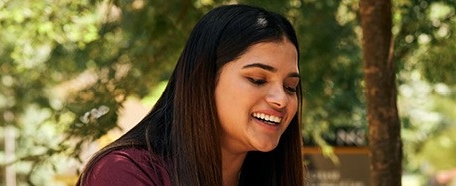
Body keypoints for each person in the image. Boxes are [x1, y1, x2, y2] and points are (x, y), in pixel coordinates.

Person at [78, 4, 304, 186]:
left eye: (290, 87)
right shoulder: (123, 173)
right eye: (258, 80)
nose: (281, 99)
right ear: (204, 79)